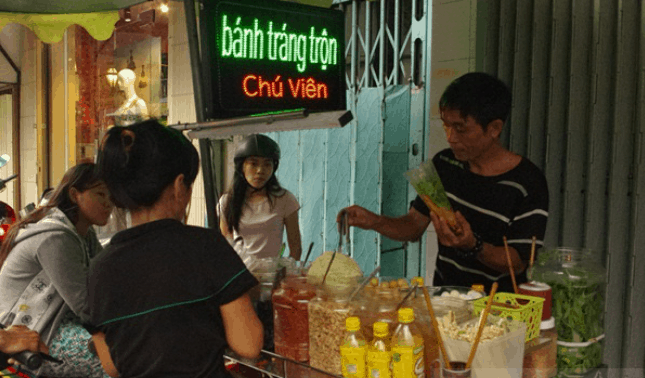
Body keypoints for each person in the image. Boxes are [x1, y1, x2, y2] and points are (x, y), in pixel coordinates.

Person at [339, 72, 548, 293]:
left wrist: (473, 246)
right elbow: (413, 226)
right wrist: (373, 221)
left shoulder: (527, 183)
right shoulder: (444, 163)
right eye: (446, 126)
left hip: (498, 310)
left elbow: (518, 262)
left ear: (494, 128)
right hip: (445, 301)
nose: (451, 137)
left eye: (461, 129)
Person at [88, 120, 263, 378]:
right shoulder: (207, 246)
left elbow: (112, 366)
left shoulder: (99, 268)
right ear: (180, 185)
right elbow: (249, 345)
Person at [0, 162, 114, 378]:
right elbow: (85, 307)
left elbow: (108, 275)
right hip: (34, 333)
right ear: (74, 195)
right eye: (101, 194)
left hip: (58, 321)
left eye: (111, 196)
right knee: (118, 364)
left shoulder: (84, 235)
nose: (109, 203)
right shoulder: (57, 238)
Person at [218, 134, 302, 265]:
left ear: (274, 168)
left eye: (267, 164)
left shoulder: (285, 199)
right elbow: (226, 247)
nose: (260, 170)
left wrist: (281, 274)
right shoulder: (227, 201)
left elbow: (296, 250)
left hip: (271, 276)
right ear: (242, 166)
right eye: (253, 163)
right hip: (240, 276)